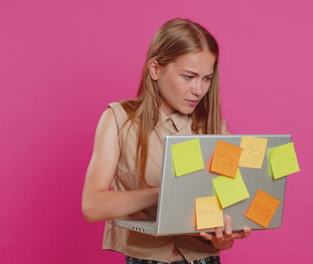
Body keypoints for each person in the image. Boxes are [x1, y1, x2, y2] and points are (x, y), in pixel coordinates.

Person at [82, 18, 251, 264]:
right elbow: (92, 206)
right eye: (189, 76)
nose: (199, 90)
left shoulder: (214, 130)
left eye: (206, 78)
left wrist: (223, 238)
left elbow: (220, 226)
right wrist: (165, 192)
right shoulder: (119, 120)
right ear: (155, 69)